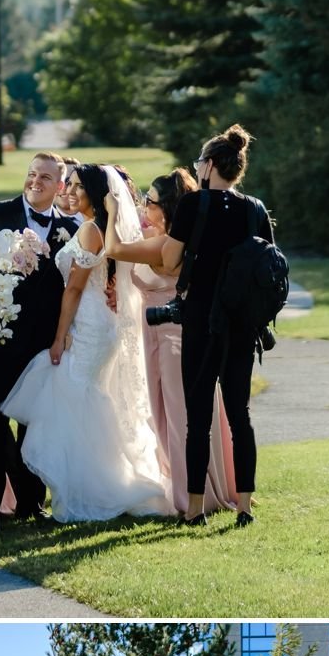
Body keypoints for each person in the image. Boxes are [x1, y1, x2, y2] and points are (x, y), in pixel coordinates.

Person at [1, 163, 172, 528]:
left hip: (90, 326)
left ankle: (92, 493)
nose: (71, 192)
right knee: (79, 403)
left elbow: (75, 288)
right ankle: (78, 490)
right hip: (93, 321)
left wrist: (61, 335)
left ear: (94, 193)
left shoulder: (93, 231)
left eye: (78, 187)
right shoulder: (88, 227)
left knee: (79, 404)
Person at [106, 174, 233, 513]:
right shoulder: (165, 237)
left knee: (179, 417)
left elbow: (115, 248)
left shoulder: (167, 246)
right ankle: (193, 484)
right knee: (174, 412)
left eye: (151, 201)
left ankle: (193, 495)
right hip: (159, 331)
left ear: (168, 208)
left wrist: (113, 210)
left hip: (172, 335)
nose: (144, 207)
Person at [172, 127, 279, 530]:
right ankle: (245, 506)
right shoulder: (255, 208)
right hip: (242, 324)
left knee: (198, 418)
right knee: (240, 415)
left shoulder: (192, 205)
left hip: (201, 319)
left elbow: (171, 259)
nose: (198, 168)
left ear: (211, 165)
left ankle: (195, 509)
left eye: (200, 162)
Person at [0, 152, 69, 518]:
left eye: (45, 177)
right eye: (31, 174)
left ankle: (31, 503)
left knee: (34, 423)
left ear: (60, 186)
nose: (35, 181)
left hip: (41, 343)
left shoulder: (69, 230)